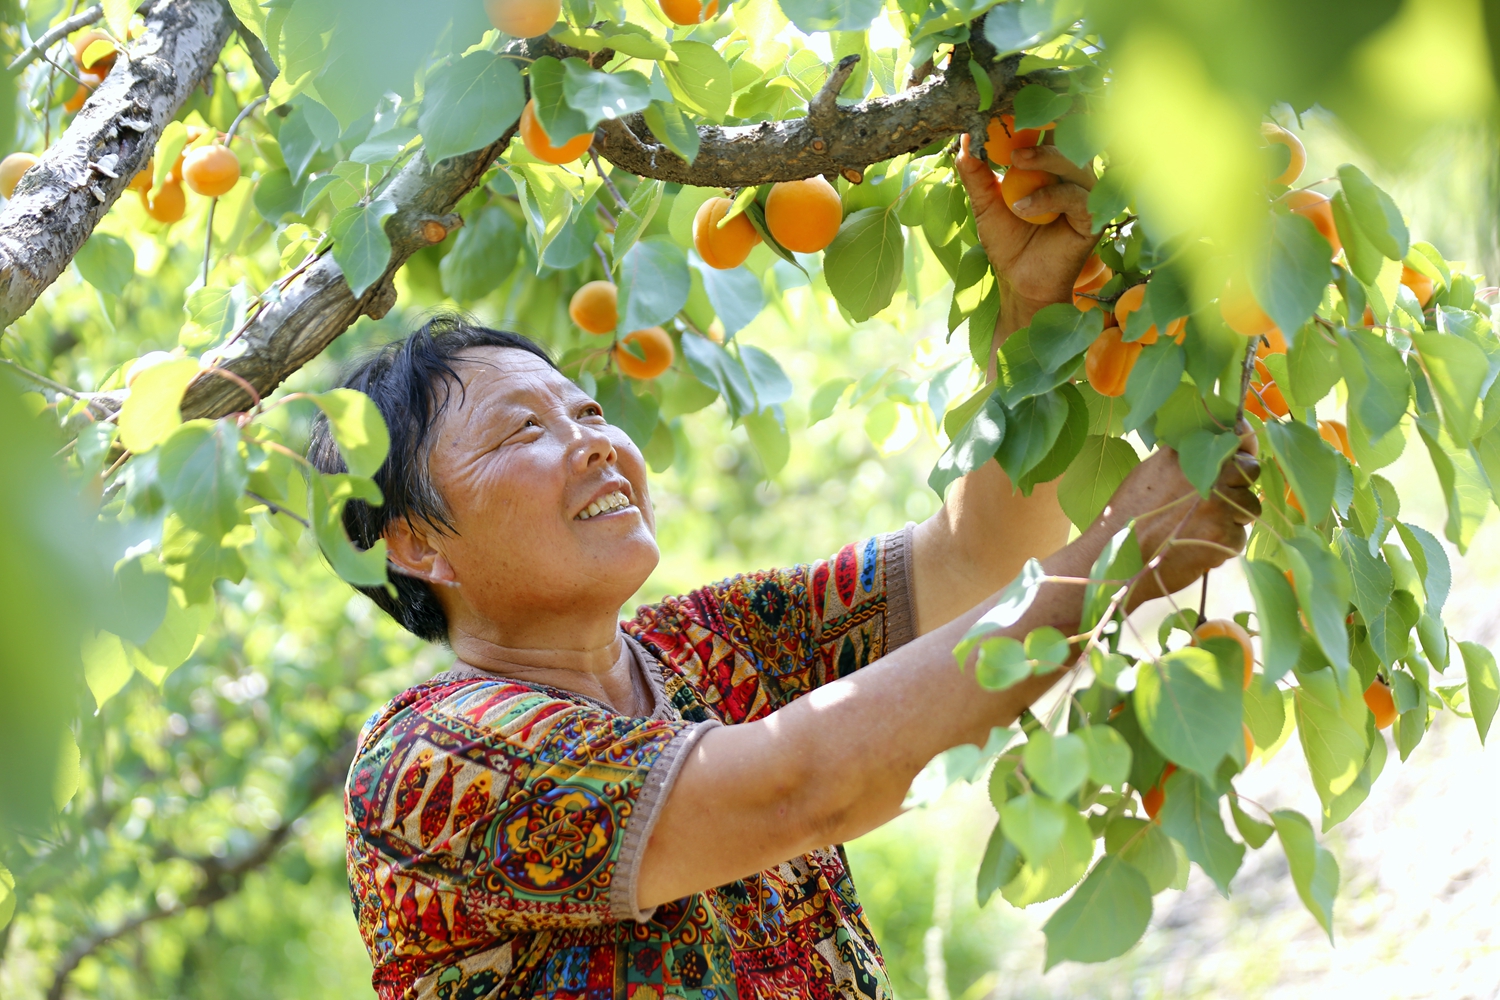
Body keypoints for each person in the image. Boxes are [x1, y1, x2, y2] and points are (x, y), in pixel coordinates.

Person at [310, 140, 1260, 1000]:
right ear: (413, 543)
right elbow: (797, 787)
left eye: (591, 413)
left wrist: (1034, 311)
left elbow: (974, 557)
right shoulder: (431, 760)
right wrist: (1118, 558)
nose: (596, 444)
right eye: (525, 430)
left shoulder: (709, 644)